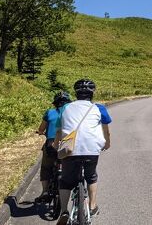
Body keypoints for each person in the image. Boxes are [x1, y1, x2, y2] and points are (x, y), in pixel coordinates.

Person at [54, 79, 111, 225]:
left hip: (70, 148)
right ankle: (92, 206)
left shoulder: (66, 108)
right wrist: (107, 143)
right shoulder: (99, 108)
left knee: (66, 181)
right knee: (91, 176)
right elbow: (106, 130)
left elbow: (59, 130)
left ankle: (64, 212)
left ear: (76, 93)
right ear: (92, 93)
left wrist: (55, 145)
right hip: (91, 148)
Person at [34, 91, 72, 203]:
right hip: (68, 142)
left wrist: (40, 132)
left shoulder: (49, 112)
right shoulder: (71, 113)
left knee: (46, 167)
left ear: (55, 103)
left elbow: (41, 128)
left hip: (51, 144)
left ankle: (45, 191)